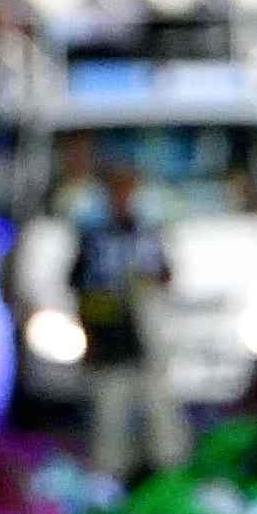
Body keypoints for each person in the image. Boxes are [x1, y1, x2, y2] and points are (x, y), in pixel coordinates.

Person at [74, 160, 182, 482]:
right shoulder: (94, 238)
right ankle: (109, 482)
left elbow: (167, 276)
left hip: (147, 340)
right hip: (110, 338)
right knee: (109, 418)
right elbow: (80, 287)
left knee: (161, 415)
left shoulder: (148, 234)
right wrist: (90, 334)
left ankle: (167, 476)